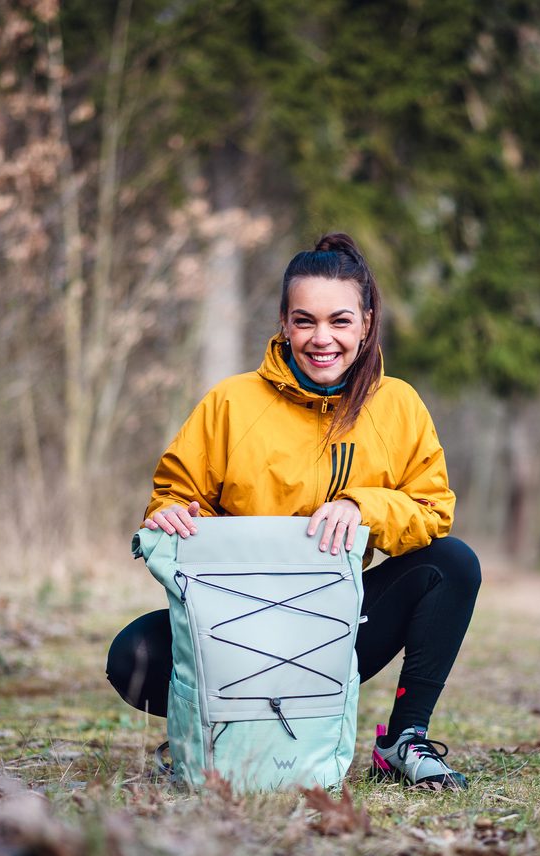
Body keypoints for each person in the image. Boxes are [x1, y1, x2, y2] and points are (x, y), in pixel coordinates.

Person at [107, 232, 481, 791]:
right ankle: (212, 731)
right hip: (234, 632)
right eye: (304, 320)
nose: (322, 338)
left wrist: (364, 507)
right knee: (131, 655)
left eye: (340, 321)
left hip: (337, 627)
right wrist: (172, 515)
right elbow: (173, 496)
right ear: (283, 322)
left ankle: (404, 739)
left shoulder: (397, 404)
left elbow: (432, 509)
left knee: (452, 563)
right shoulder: (231, 402)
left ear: (367, 322)